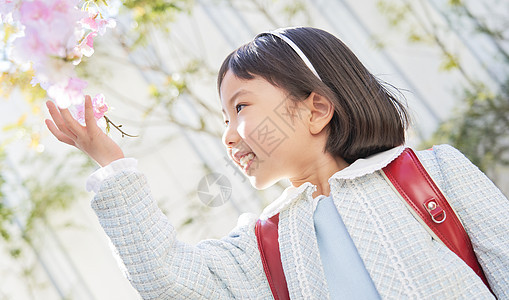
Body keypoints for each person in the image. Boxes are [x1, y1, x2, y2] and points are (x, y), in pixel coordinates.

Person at [45, 27, 509, 299]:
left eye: (240, 108)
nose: (228, 134)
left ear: (316, 108)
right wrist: (111, 164)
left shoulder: (435, 176)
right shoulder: (265, 244)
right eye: (223, 118)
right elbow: (167, 279)